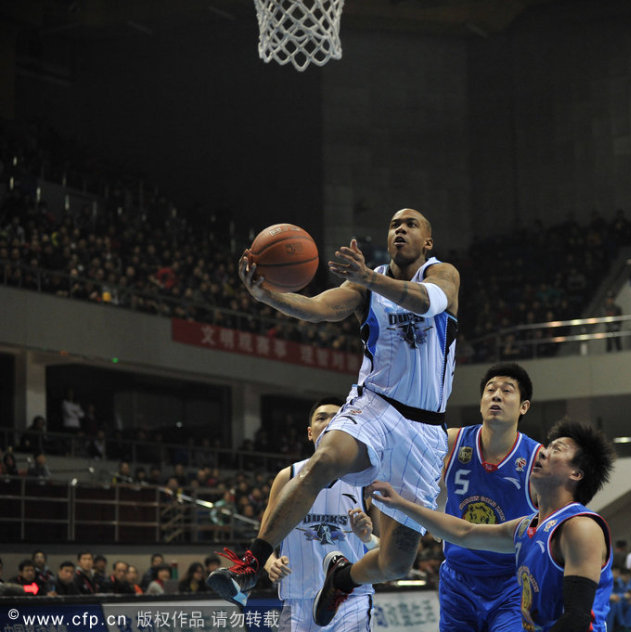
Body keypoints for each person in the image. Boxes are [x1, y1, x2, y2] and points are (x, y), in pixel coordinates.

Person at [209, 209, 460, 624]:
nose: (400, 228)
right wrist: (268, 295)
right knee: (323, 459)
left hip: (425, 429)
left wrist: (369, 278)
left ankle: (342, 580)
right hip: (375, 405)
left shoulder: (442, 274)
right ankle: (249, 567)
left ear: (427, 242)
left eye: (410, 224)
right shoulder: (366, 282)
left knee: (396, 563)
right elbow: (320, 307)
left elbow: (429, 302)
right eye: (394, 223)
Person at [371, 420, 616, 632]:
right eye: (547, 447)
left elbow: (577, 618)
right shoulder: (526, 528)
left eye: (557, 450)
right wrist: (401, 504)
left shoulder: (580, 527)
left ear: (576, 474)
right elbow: (465, 532)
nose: (543, 453)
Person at [259, 398, 378, 632]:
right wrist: (270, 563)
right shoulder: (287, 476)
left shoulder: (366, 483)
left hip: (350, 598)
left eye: (337, 418)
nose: (328, 423)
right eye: (321, 418)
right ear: (310, 433)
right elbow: (263, 539)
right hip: (297, 599)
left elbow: (386, 550)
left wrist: (367, 538)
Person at [439, 363, 542, 632]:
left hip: (512, 583)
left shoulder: (538, 460)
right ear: (482, 401)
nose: (496, 395)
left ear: (524, 407)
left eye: (507, 391)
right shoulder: (450, 442)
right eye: (490, 390)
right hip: (457, 580)